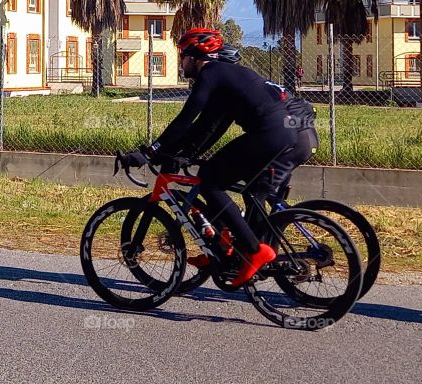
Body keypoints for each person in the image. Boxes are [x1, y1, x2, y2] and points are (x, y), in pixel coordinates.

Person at [117, 27, 298, 287]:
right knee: (231, 184)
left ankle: (254, 251)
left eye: (182, 56)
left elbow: (186, 119)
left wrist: (151, 151)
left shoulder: (210, 74)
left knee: (210, 180)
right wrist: (185, 153)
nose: (181, 62)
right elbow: (210, 127)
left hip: (271, 134)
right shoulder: (227, 77)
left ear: (194, 56)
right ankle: (230, 248)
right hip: (287, 131)